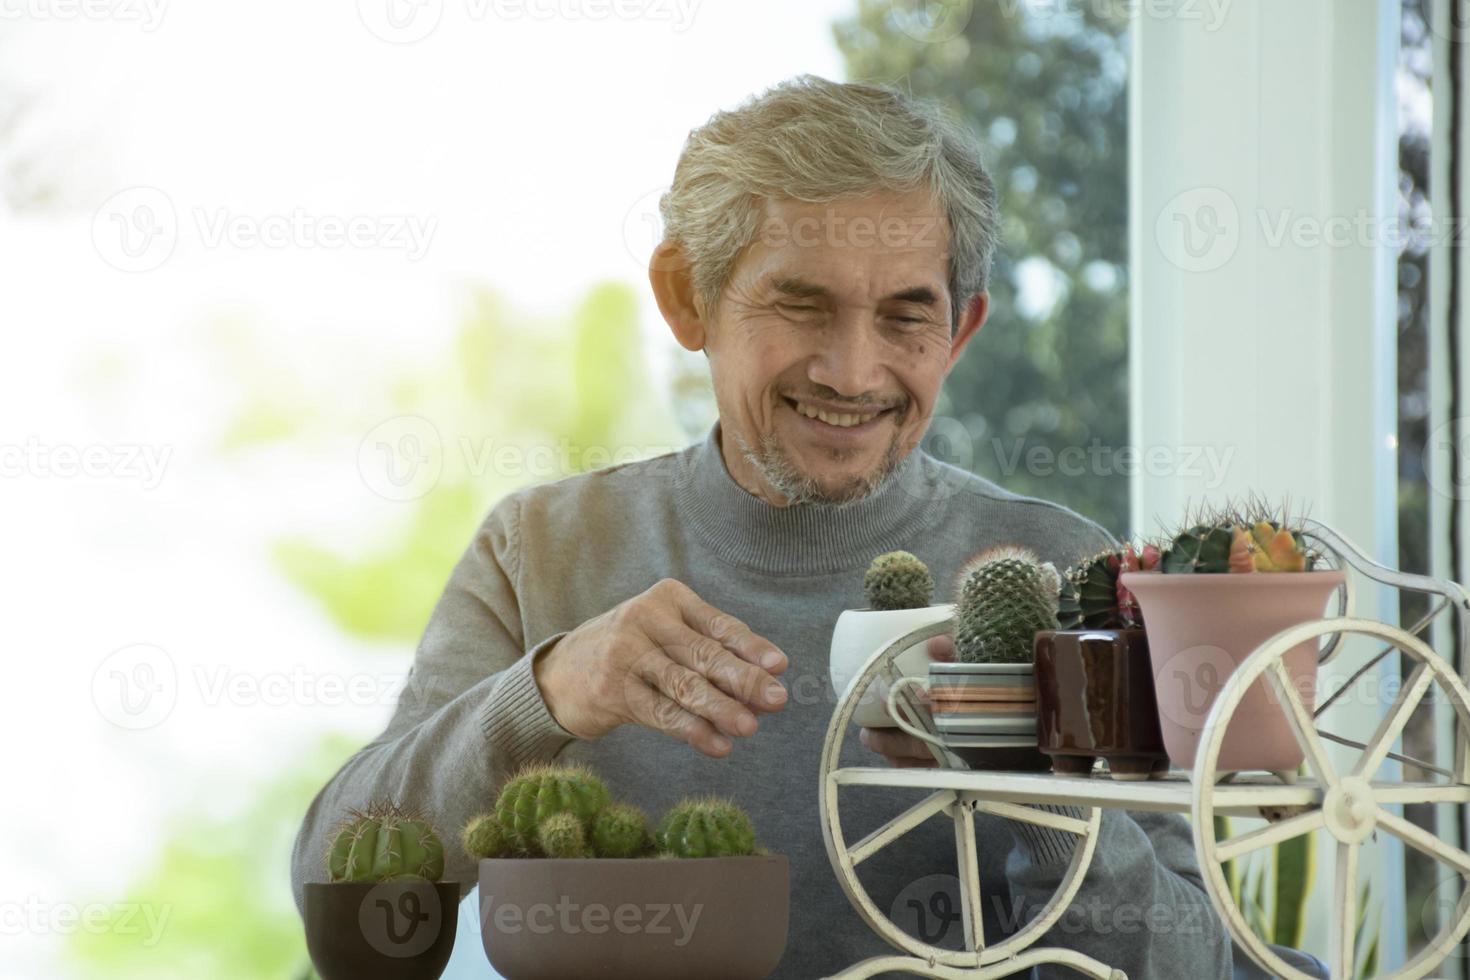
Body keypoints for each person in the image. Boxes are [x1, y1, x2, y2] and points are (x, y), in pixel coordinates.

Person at [291, 74, 1234, 979]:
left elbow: (1195, 965)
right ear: (687, 297)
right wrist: (547, 693)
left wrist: (1034, 790)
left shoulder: (1070, 576)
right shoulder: (541, 549)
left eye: (906, 316)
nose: (852, 373)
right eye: (801, 303)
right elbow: (343, 895)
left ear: (962, 330)